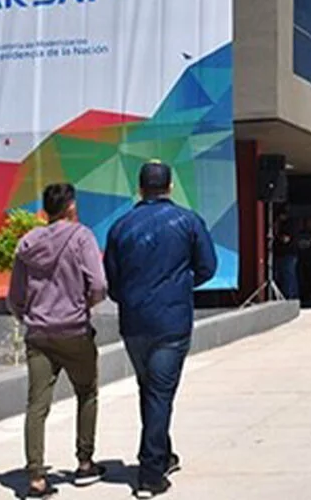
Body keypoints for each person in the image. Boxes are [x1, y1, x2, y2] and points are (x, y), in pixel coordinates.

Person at [104, 162, 218, 498]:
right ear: (169, 187)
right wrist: (179, 287)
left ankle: (163, 454)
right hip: (171, 322)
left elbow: (113, 282)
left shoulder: (120, 226)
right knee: (159, 392)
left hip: (134, 322)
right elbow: (208, 268)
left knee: (150, 389)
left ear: (140, 189)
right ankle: (151, 473)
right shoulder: (188, 221)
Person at [7, 183, 109, 498]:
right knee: (87, 392)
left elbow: (15, 297)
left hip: (39, 334)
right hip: (74, 331)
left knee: (37, 405)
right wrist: (83, 305)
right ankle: (84, 462)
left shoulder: (27, 244)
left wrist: (30, 316)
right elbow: (99, 284)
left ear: (45, 212)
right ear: (71, 208)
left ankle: (36, 477)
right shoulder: (82, 237)